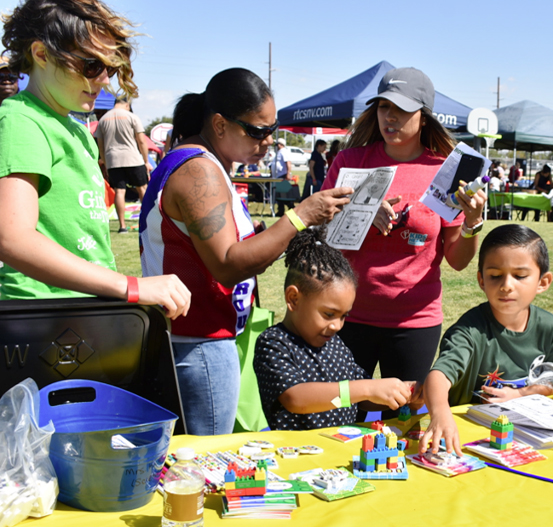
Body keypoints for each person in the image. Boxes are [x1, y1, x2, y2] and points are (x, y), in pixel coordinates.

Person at [139, 67, 352, 435]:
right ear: (220, 125)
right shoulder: (198, 171)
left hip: (201, 339)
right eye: (257, 131)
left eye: (273, 130)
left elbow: (235, 252)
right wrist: (301, 215)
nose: (268, 140)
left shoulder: (208, 165)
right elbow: (227, 264)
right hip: (198, 341)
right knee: (208, 459)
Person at [0, 0, 190, 317]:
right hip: (41, 316)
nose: (104, 79)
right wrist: (129, 286)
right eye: (91, 66)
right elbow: (13, 237)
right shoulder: (22, 120)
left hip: (84, 310)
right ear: (41, 54)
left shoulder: (76, 130)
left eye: (110, 67)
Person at [321, 66, 486, 403]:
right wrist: (362, 209)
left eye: (401, 110)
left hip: (414, 322)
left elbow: (457, 260)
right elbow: (321, 232)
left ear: (423, 117)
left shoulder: (445, 171)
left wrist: (471, 224)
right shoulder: (350, 161)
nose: (390, 118)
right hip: (348, 315)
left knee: (405, 425)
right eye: (384, 107)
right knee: (341, 418)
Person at [419, 224, 553, 454]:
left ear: (542, 282)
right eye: (495, 276)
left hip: (530, 439)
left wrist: (520, 394)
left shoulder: (549, 329)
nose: (506, 286)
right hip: (467, 440)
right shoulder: (469, 331)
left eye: (520, 276)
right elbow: (438, 377)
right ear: (481, 280)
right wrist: (441, 415)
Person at [253, 227, 416, 430]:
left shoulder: (335, 345)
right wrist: (366, 387)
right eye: (329, 314)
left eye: (344, 316)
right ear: (293, 299)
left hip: (341, 452)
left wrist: (403, 392)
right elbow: (295, 398)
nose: (337, 326)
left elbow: (361, 398)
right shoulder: (274, 343)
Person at [94, 96, 152, 233]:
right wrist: (146, 161)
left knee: (119, 191)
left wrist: (106, 162)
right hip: (133, 158)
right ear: (127, 105)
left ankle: (122, 226)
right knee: (142, 189)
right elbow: (142, 141)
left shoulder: (102, 120)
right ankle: (147, 222)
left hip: (113, 160)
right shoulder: (132, 117)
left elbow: (100, 146)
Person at [271, 137, 297, 216]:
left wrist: (288, 173)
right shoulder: (279, 152)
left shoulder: (283, 152)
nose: (275, 146)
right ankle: (281, 210)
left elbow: (288, 163)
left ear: (281, 145)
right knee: (279, 194)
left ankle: (291, 208)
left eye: (277, 144)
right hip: (278, 175)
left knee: (283, 194)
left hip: (283, 175)